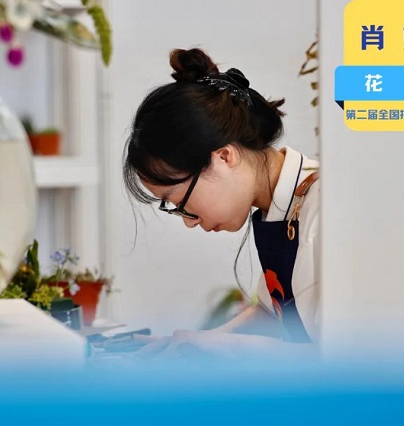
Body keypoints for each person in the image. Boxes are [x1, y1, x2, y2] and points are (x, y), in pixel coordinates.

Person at [122, 48, 320, 359]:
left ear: (223, 157)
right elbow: (273, 313)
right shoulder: (278, 205)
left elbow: (346, 359)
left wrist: (226, 345)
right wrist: (195, 340)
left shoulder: (325, 208)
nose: (189, 221)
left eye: (180, 201)